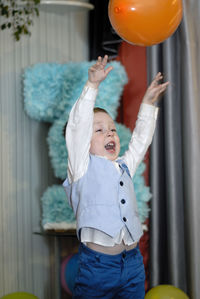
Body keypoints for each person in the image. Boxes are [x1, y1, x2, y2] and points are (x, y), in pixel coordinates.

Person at [63, 55, 169, 299]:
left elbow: (141, 141)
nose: (109, 133)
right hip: (98, 268)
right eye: (99, 130)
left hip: (132, 265)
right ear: (84, 143)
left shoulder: (124, 166)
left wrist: (149, 105)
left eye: (111, 129)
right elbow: (78, 127)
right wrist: (92, 86)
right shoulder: (80, 167)